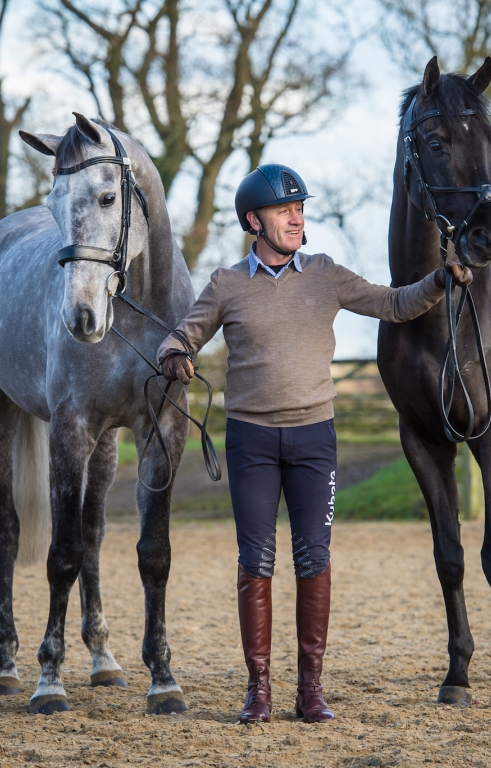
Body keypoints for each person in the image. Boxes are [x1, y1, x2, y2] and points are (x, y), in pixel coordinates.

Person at [156, 164, 471, 724]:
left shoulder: (326, 274)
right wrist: (176, 354)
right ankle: (259, 691)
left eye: (300, 208)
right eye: (284, 210)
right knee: (255, 559)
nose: (297, 217)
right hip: (251, 441)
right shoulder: (227, 284)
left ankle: (311, 692)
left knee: (313, 558)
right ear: (254, 221)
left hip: (314, 441)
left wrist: (441, 280)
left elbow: (394, 303)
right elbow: (185, 333)